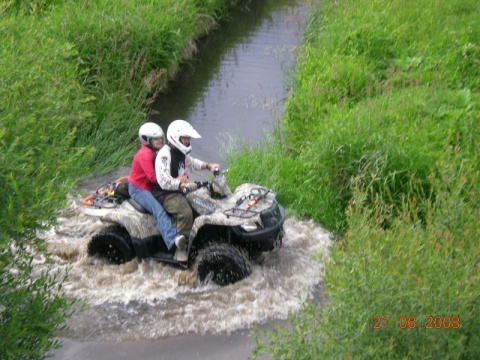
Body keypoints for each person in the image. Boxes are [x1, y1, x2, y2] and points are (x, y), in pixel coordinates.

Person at [128, 122, 187, 262]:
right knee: (158, 210)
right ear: (146, 140)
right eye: (156, 139)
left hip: (149, 187)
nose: (160, 141)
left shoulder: (156, 152)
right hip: (139, 189)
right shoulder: (145, 154)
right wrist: (176, 180)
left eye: (161, 138)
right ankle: (173, 241)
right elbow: (154, 178)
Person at [153, 119, 220, 239]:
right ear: (175, 137)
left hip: (179, 189)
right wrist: (183, 185)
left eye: (188, 138)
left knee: (203, 203)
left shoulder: (180, 153)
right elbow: (164, 181)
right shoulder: (164, 155)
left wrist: (209, 166)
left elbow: (193, 164)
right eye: (184, 138)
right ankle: (180, 247)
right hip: (165, 194)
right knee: (186, 213)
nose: (187, 141)